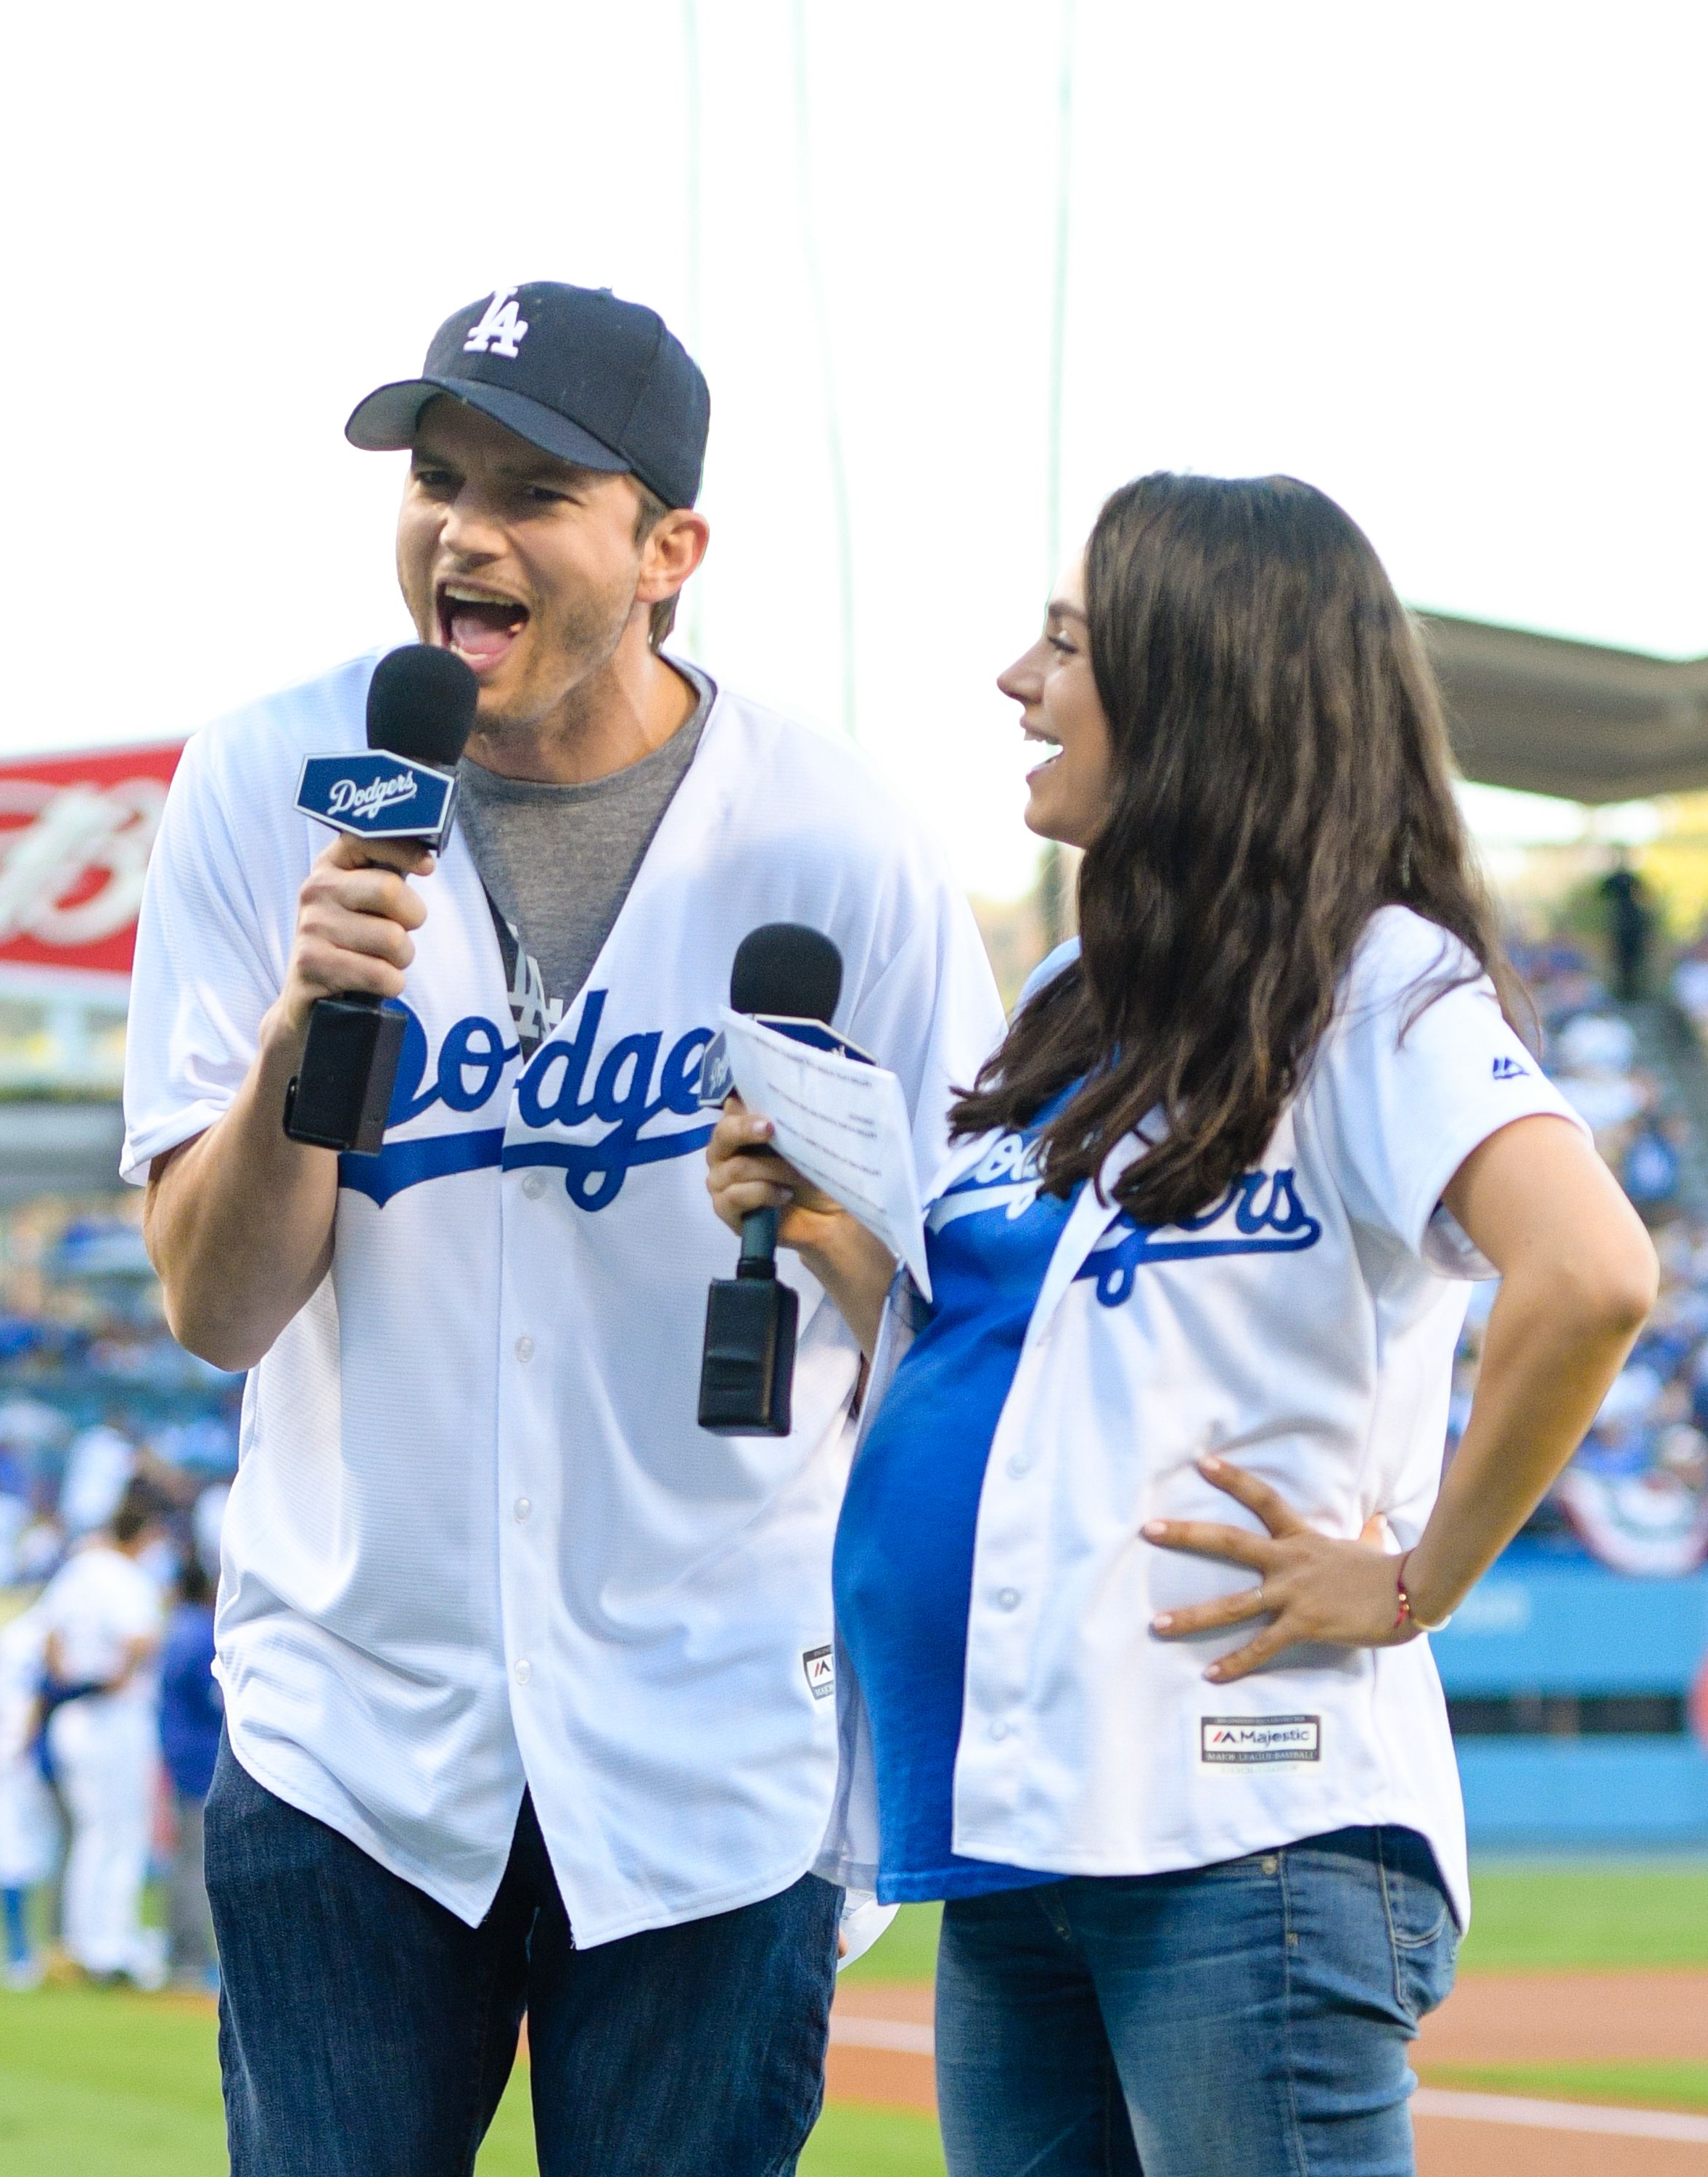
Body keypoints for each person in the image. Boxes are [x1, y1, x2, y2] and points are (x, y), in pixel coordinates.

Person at [125, 279, 1002, 2176]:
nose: (466, 529)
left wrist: (831, 1217)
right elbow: (217, 1307)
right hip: (353, 1734)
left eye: (535, 490)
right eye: (439, 476)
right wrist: (306, 1027)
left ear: (670, 548)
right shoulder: (267, 788)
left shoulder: (839, 843)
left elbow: (968, 1305)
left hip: (714, 1739)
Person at [707, 473, 1659, 2177]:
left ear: (1196, 685)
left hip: (1243, 1823)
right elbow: (1017, 1365)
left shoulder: (1376, 981)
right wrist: (839, 1238)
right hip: (1012, 1833)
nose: (1015, 679)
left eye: (1064, 642)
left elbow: (1585, 1272)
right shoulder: (1082, 1013)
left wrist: (1410, 1576)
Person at [38, 1481, 169, 1988]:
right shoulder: (126, 1578)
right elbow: (141, 1639)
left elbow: (50, 1636)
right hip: (114, 1716)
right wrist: (116, 1676)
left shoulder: (79, 1567)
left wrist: (69, 1678)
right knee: (122, 1835)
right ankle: (111, 1948)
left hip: (74, 1713)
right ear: (145, 1532)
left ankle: (82, 1943)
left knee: (93, 1834)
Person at [0, 1605, 60, 1988]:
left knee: (17, 1853)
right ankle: (28, 1952)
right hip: (25, 1753)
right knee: (29, 1852)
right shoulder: (41, 1633)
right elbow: (34, 1698)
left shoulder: (13, 1633)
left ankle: (24, 1952)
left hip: (3, 1750)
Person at [159, 1550, 221, 1989]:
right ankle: (190, 1955)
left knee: (184, 1860)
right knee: (196, 1863)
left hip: (181, 1755)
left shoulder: (176, 1630)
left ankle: (180, 1950)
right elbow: (216, 1699)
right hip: (201, 1760)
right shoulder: (200, 1635)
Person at [1601, 851, 1654, 1002]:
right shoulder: (1619, 880)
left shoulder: (1631, 880)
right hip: (1624, 926)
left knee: (1633, 961)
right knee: (1623, 962)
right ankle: (1625, 993)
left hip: (1630, 926)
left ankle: (1633, 993)